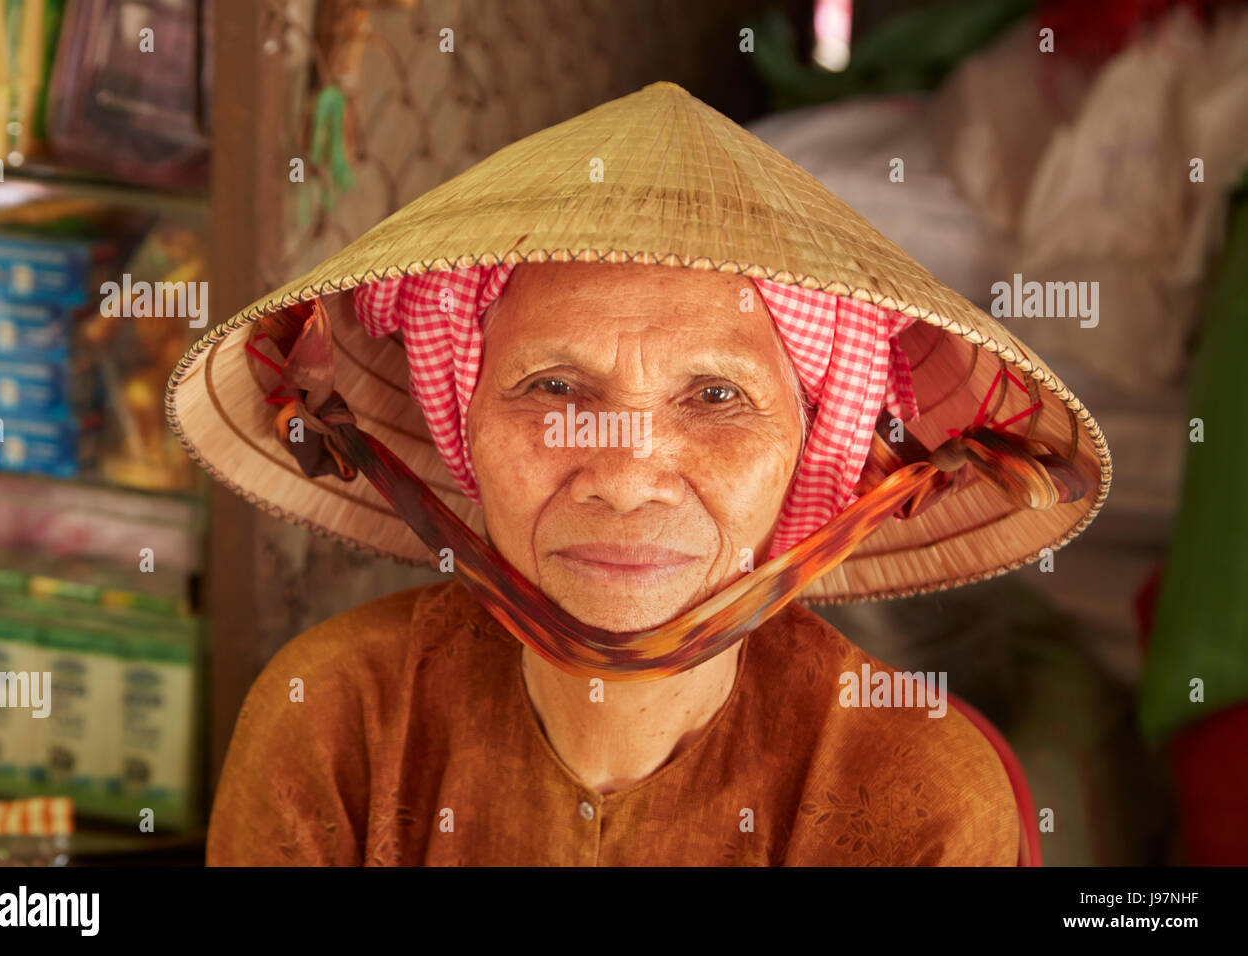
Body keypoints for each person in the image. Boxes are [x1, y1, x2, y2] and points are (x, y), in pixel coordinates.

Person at [167, 82, 1110, 865]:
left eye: (714, 397)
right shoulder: (334, 719)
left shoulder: (914, 795)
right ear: (462, 425)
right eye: (553, 385)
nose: (625, 478)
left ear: (811, 447)